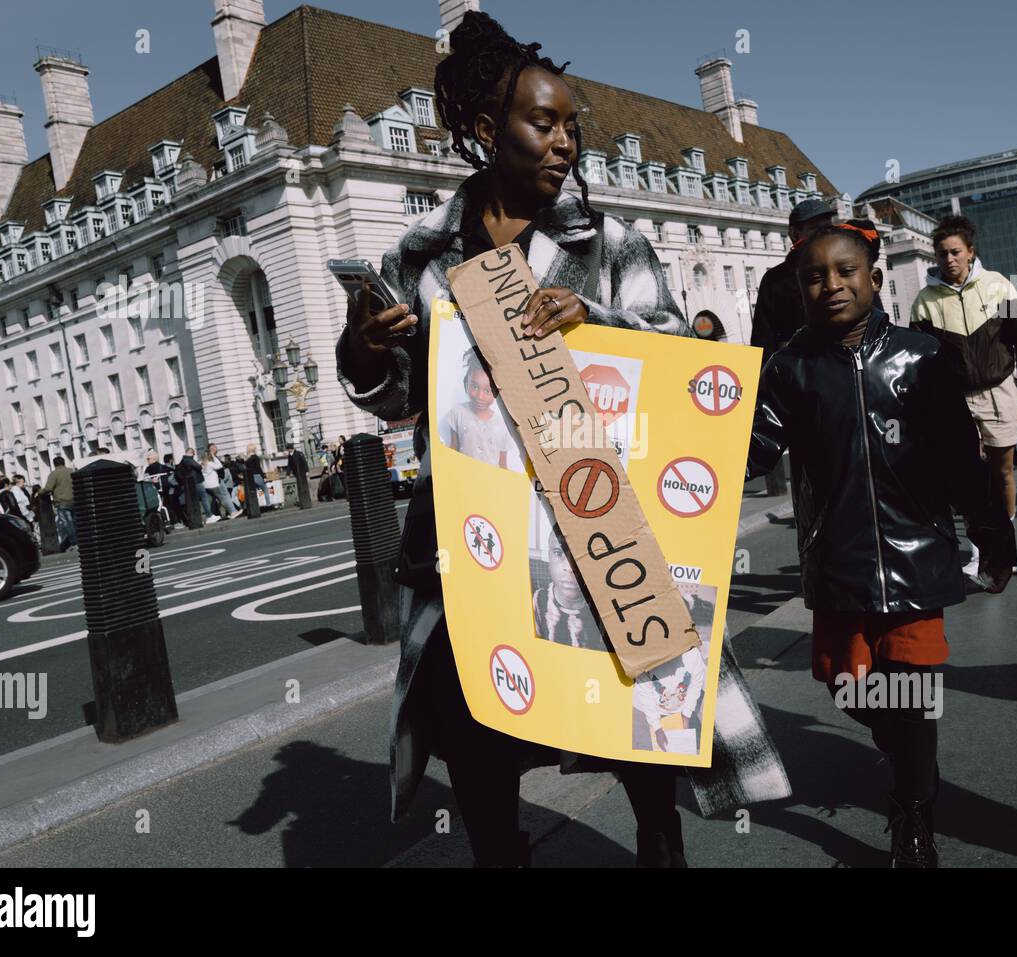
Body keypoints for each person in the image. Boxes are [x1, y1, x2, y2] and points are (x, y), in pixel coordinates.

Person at [334, 10, 789, 868]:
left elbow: (685, 368)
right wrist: (363, 351)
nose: (565, 141)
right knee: (477, 745)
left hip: (596, 523)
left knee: (637, 736)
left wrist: (601, 320)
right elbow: (397, 399)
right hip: (477, 540)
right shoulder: (422, 257)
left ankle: (662, 849)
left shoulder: (609, 243)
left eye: (572, 124)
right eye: (544, 122)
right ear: (482, 130)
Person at [748, 224, 1016, 868]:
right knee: (850, 688)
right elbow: (755, 452)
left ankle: (914, 820)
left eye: (845, 271)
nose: (831, 285)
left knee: (914, 696)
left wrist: (991, 528)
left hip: (918, 556)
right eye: (815, 276)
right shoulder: (789, 367)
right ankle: (903, 746)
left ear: (872, 278)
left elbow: (959, 453)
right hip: (837, 560)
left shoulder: (923, 356)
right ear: (801, 288)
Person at [910, 215, 1017, 579]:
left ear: (971, 252)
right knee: (966, 475)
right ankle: (980, 549)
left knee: (1002, 470)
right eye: (942, 253)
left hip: (999, 390)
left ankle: (1006, 548)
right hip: (954, 398)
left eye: (955, 252)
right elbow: (917, 361)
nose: (949, 259)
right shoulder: (925, 301)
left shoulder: (998, 287)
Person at [751, 197, 837, 362]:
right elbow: (763, 339)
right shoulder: (774, 280)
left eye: (828, 227)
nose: (824, 234)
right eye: (815, 228)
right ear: (794, 233)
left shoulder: (844, 272)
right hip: (794, 372)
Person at [532, 525, 602, 649]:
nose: (569, 568)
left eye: (580, 556)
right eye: (558, 553)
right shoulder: (538, 600)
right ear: (549, 556)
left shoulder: (603, 607)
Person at [443, 347, 512, 468]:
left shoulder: (502, 424)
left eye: (487, 391)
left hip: (491, 482)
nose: (480, 396)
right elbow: (453, 448)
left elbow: (502, 465)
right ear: (466, 383)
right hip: (464, 478)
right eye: (474, 387)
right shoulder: (457, 413)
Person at [40, 455, 76, 550]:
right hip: (75, 500)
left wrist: (39, 492)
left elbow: (48, 488)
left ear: (54, 464)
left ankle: (74, 542)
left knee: (68, 523)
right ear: (64, 462)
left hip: (62, 502)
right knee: (76, 522)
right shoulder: (71, 471)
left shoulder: (54, 474)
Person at [201, 451, 241, 521]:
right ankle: (233, 512)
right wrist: (214, 457)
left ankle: (209, 517)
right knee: (223, 498)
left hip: (206, 486)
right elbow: (220, 466)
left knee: (209, 501)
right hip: (213, 485)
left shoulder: (202, 465)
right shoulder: (210, 464)